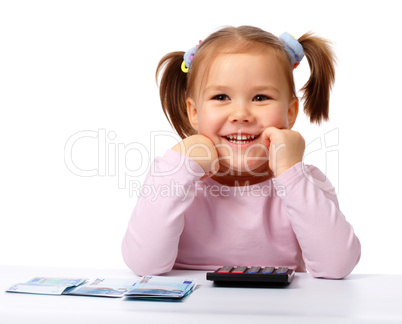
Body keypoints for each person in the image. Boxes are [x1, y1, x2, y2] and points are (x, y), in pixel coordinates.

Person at [122, 26, 361, 279]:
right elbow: (143, 264)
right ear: (194, 112)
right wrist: (179, 165)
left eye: (260, 98)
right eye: (221, 96)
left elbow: (337, 267)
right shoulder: (177, 178)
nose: (240, 115)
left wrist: (291, 173)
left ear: (290, 113)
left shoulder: (305, 182)